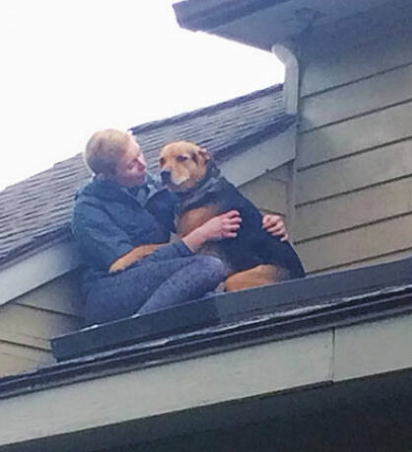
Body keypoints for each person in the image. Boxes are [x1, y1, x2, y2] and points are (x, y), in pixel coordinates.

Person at [72, 129, 288, 325]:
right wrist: (198, 237)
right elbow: (125, 266)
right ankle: (138, 328)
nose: (143, 165)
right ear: (107, 175)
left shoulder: (156, 188)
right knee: (209, 267)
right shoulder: (89, 209)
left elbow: (204, 209)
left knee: (210, 299)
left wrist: (265, 223)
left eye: (139, 154)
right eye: (131, 165)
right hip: (109, 293)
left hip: (157, 284)